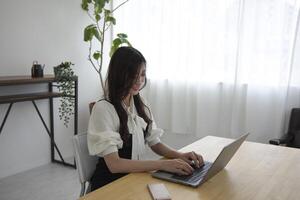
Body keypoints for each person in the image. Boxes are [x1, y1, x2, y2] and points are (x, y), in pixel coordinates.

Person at [87, 46, 204, 191]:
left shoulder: (139, 103)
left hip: (133, 178)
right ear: (119, 74)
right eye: (133, 75)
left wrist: (180, 155)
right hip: (109, 185)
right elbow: (114, 165)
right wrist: (162, 165)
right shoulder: (103, 109)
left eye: (142, 74)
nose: (139, 81)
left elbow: (154, 143)